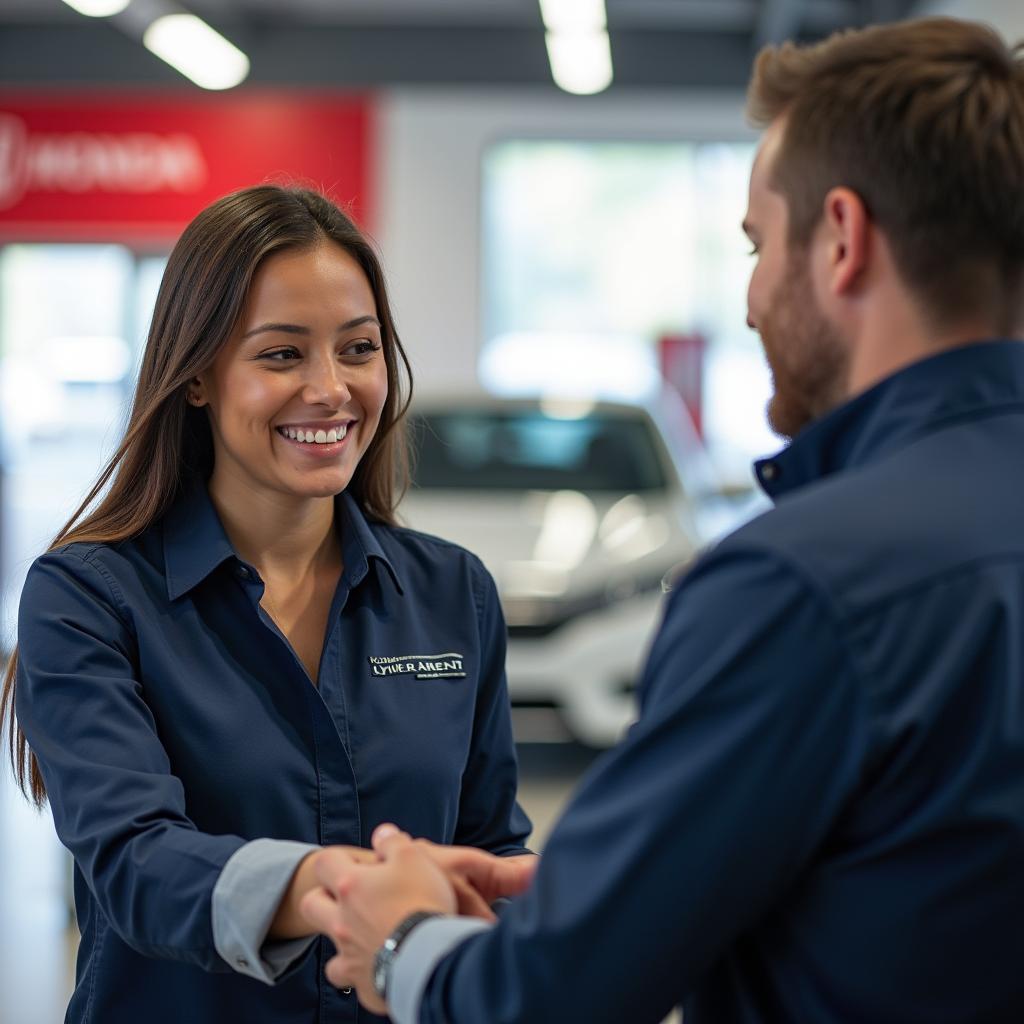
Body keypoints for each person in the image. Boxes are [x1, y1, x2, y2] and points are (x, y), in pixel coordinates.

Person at [298, 17, 1024, 1024]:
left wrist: (404, 940)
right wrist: (601, 894)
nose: (752, 299)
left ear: (844, 241)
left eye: (758, 245)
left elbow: (548, 1001)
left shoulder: (802, 582)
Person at [0, 184, 534, 1024]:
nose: (331, 389)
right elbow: (135, 860)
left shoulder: (452, 592)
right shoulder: (88, 599)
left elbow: (489, 848)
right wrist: (334, 886)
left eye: (358, 349)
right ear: (200, 376)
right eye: (282, 354)